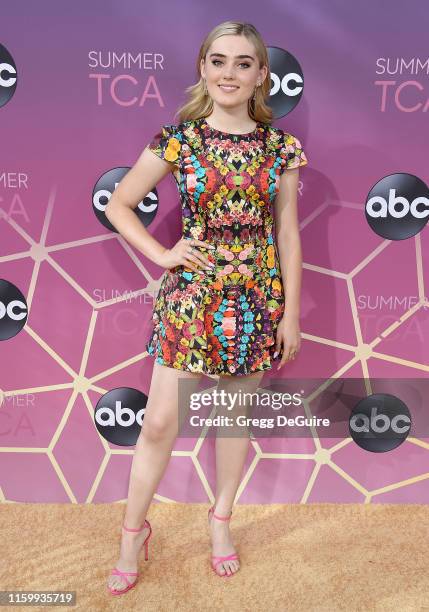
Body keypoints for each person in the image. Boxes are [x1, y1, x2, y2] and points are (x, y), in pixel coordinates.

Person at [105, 20, 308, 594]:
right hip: (192, 299)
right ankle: (131, 533)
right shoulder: (179, 139)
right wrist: (163, 254)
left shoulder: (280, 147)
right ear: (202, 68)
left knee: (230, 420)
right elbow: (121, 204)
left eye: (243, 63)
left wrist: (290, 314)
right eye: (218, 61)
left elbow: (287, 235)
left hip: (257, 301)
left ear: (262, 75)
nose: (229, 73)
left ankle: (221, 522)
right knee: (161, 423)